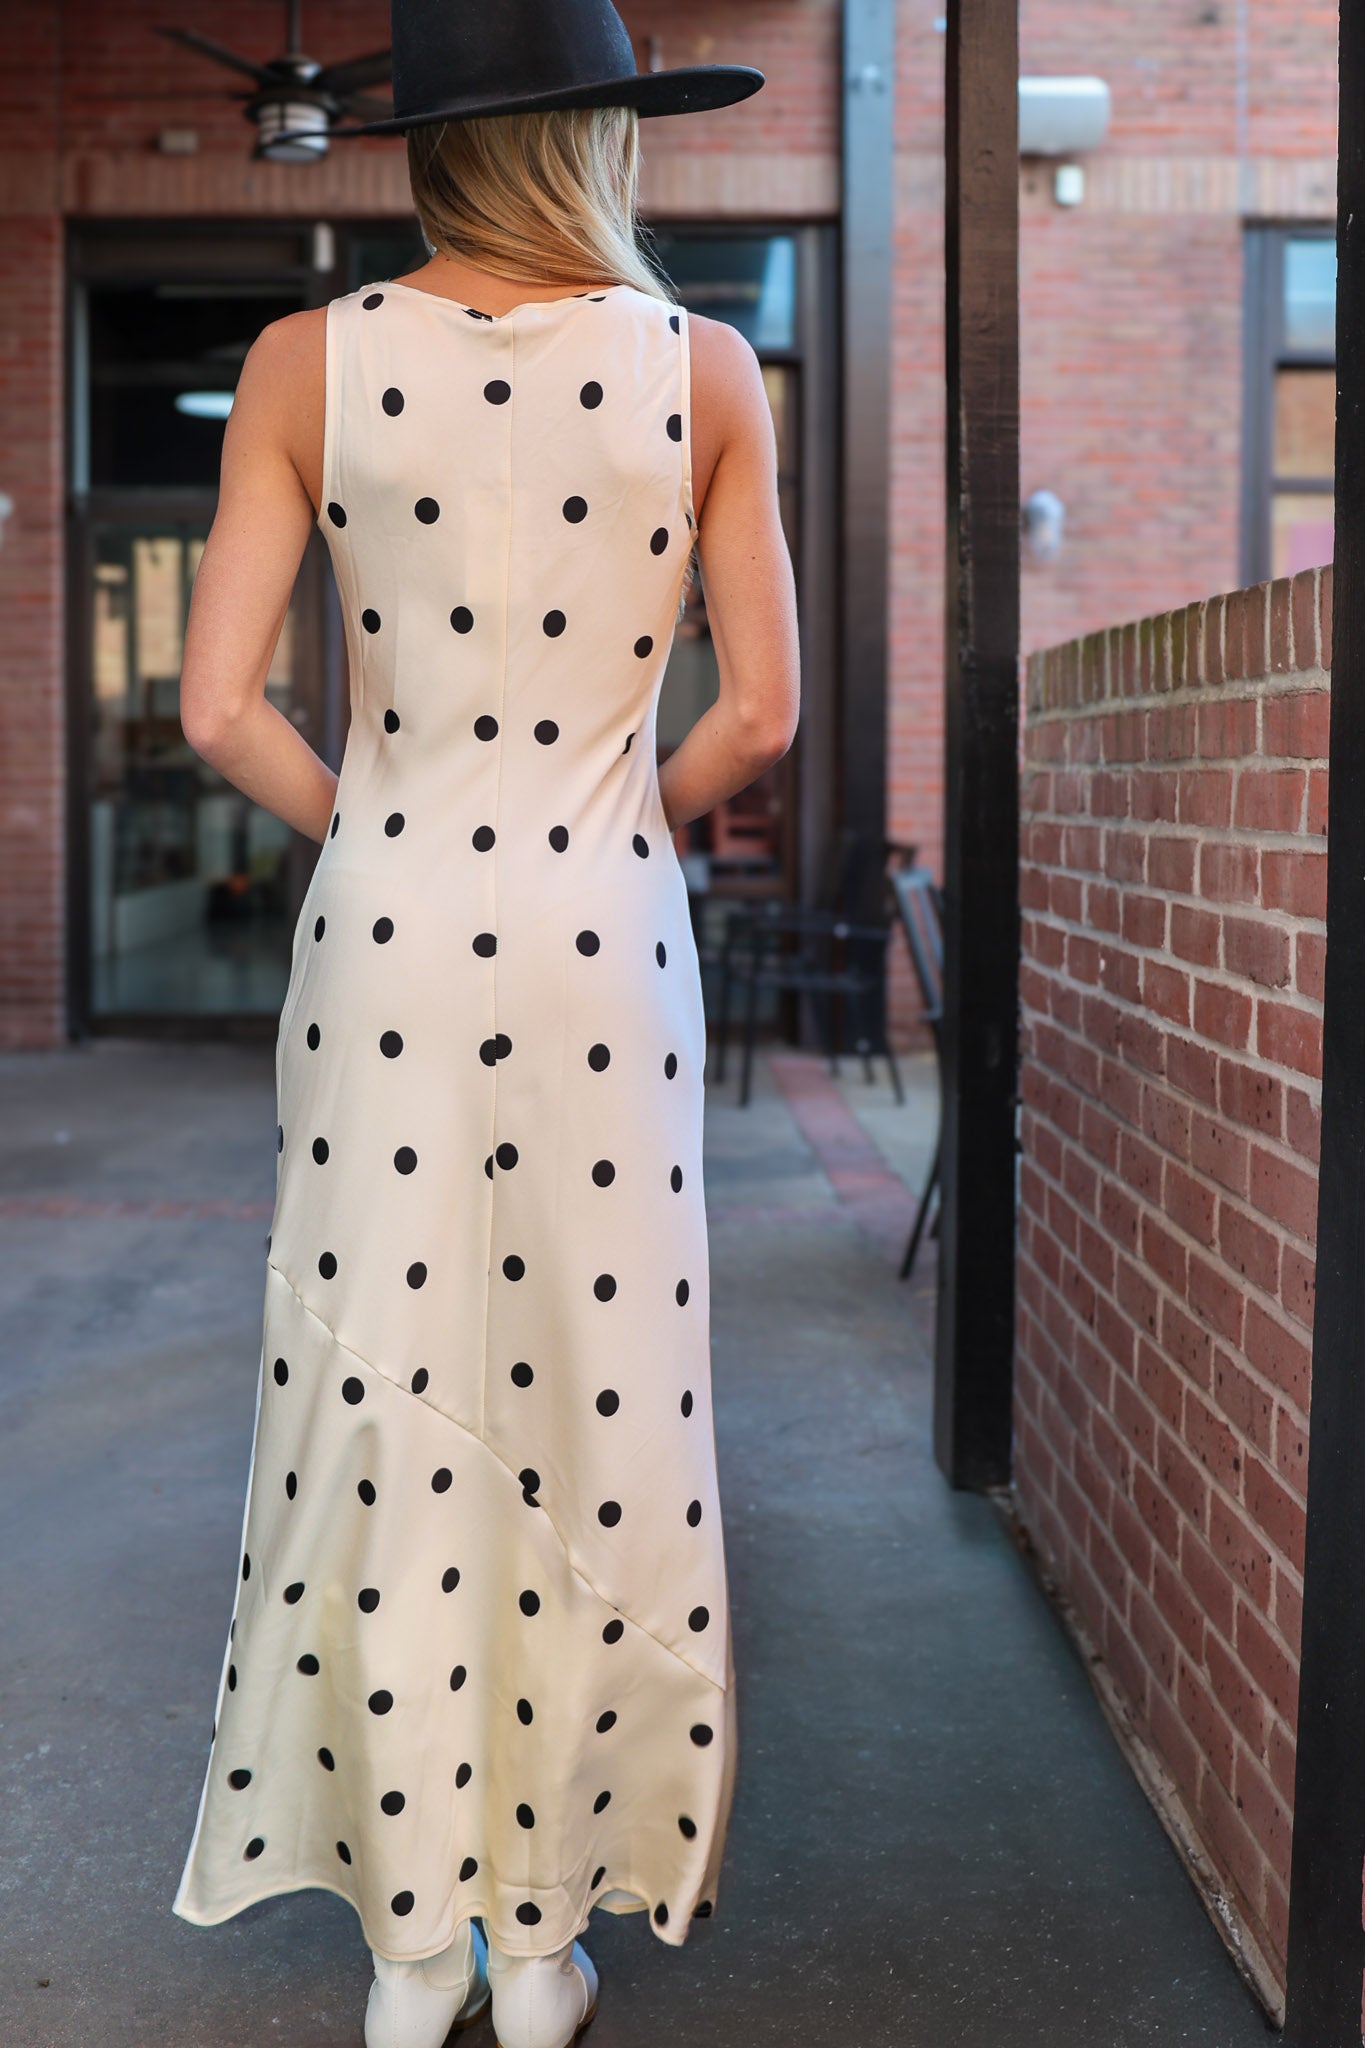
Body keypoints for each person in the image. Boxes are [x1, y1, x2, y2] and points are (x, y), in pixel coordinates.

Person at [171, 5, 799, 2046]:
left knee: (379, 1383)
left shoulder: (299, 363)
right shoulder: (701, 372)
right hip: (598, 925)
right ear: (596, 140)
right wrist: (611, 820)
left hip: (394, 924)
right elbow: (763, 714)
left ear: (434, 146)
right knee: (596, 1401)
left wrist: (386, 825)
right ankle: (542, 1947)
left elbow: (213, 711)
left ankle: (408, 1945)